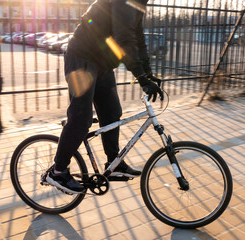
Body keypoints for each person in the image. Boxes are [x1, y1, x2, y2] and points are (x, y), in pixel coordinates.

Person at [45, 0, 163, 194]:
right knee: (81, 119)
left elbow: (138, 39)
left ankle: (113, 163)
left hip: (102, 63)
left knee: (112, 112)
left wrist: (148, 74)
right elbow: (124, 40)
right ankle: (58, 171)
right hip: (81, 57)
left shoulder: (138, 3)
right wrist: (141, 77)